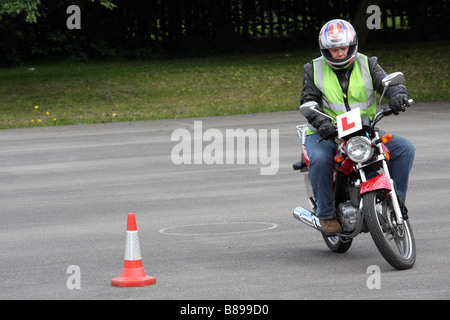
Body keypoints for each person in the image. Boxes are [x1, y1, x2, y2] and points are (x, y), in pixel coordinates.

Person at [299, 19, 415, 235]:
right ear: (325, 49)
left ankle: (394, 204)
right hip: (327, 133)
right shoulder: (313, 69)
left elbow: (387, 83)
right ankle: (325, 215)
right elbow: (308, 100)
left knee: (404, 149)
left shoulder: (368, 63)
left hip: (363, 130)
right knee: (321, 159)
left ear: (352, 46)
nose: (340, 53)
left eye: (343, 48)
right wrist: (321, 122)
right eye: (334, 49)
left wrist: (398, 94)